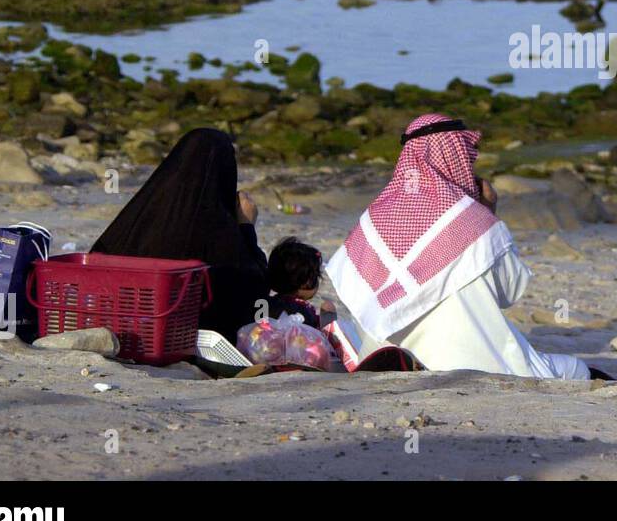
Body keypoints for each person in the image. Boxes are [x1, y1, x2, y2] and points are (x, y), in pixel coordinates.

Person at [326, 113, 589, 380]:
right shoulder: (475, 223)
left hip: (387, 359)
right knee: (577, 369)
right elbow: (509, 292)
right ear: (456, 157)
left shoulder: (371, 221)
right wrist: (489, 212)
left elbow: (356, 296)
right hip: (478, 367)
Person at [91, 127, 267, 342]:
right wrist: (246, 227)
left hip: (123, 329)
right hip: (186, 338)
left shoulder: (143, 213)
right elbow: (256, 292)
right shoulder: (223, 235)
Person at [264, 237, 332, 328]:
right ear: (307, 283)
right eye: (317, 276)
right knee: (328, 308)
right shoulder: (302, 311)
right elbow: (314, 332)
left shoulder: (269, 303)